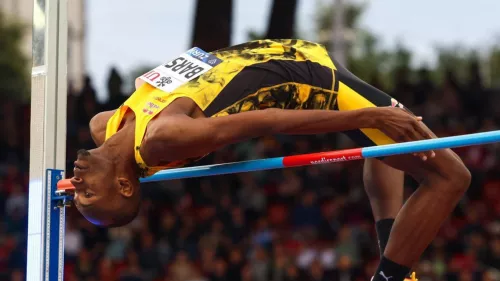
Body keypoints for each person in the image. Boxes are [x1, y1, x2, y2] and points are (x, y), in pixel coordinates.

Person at [71, 39, 471, 281]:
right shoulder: (163, 139)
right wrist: (369, 116)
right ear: (124, 186)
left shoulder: (103, 126)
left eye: (75, 194)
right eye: (87, 196)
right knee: (450, 176)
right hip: (309, 78)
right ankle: (391, 276)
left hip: (282, 53)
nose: (76, 186)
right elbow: (268, 121)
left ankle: (392, 252)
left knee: (385, 147)